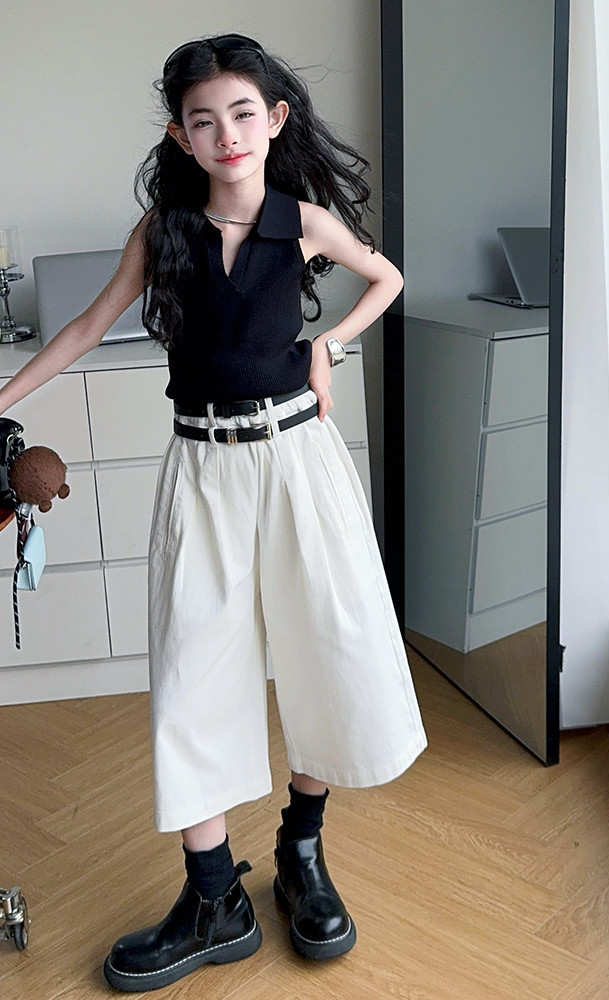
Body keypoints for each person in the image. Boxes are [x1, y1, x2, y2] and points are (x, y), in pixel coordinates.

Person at [0, 33, 427, 992]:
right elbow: (87, 325)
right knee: (193, 673)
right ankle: (212, 900)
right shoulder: (164, 231)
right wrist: (2, 399)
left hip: (298, 462)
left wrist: (328, 347)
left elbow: (387, 278)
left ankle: (301, 852)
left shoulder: (303, 221)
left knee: (324, 651)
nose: (226, 133)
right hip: (201, 467)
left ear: (274, 120)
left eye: (242, 113)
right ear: (180, 137)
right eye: (203, 120)